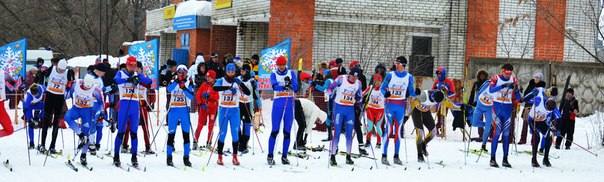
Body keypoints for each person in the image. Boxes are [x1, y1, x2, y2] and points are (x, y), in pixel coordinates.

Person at [112, 56, 152, 167]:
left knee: (134, 132)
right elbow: (116, 80)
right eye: (130, 65)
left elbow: (149, 81)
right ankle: (116, 155)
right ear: (127, 65)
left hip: (135, 105)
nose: (132, 68)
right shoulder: (121, 73)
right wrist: (128, 80)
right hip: (124, 104)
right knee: (121, 132)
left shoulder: (137, 74)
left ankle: (134, 156)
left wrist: (139, 79)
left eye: (134, 66)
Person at [380, 56, 416, 166]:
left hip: (401, 106)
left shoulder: (409, 77)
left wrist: (416, 93)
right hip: (390, 105)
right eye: (396, 63)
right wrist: (385, 94)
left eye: (398, 63)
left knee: (398, 131)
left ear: (403, 65)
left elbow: (411, 91)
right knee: (388, 130)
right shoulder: (390, 75)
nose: (396, 64)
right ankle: (384, 156)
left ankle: (396, 156)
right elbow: (382, 88)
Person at [213, 63, 250, 165]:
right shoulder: (221, 80)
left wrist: (240, 84)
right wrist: (228, 88)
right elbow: (215, 88)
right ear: (226, 71)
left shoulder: (237, 81)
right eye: (229, 72)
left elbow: (248, 93)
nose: (230, 74)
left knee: (235, 134)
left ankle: (235, 156)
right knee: (223, 133)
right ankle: (220, 156)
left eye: (232, 72)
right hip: (224, 110)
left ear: (235, 72)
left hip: (234, 111)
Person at [63, 75, 103, 166]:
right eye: (85, 86)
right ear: (83, 82)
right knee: (67, 117)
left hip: (87, 111)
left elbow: (101, 102)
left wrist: (102, 112)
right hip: (76, 108)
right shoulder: (76, 84)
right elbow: (67, 96)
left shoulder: (96, 90)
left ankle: (83, 155)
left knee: (86, 132)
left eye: (88, 87)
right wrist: (67, 88)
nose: (86, 88)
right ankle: (80, 134)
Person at [327, 67, 363, 165]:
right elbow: (329, 89)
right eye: (352, 76)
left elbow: (360, 97)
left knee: (349, 134)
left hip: (350, 110)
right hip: (339, 108)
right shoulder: (341, 79)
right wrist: (331, 95)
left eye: (356, 77)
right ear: (349, 74)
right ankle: (333, 156)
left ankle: (348, 156)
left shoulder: (358, 84)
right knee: (337, 133)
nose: (353, 79)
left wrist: (358, 99)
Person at [488, 63, 522, 168]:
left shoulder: (514, 80)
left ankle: (505, 159)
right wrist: (502, 85)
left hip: (507, 110)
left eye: (510, 73)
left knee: (506, 136)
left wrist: (516, 90)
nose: (508, 76)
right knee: (496, 134)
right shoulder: (496, 78)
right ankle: (492, 159)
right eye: (506, 73)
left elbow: (518, 97)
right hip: (497, 109)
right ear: (502, 71)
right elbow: (491, 90)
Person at [267, 56, 298, 165]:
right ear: (277, 65)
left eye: (283, 65)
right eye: (279, 65)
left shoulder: (291, 73)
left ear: (285, 64)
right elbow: (274, 86)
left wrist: (291, 84)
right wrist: (285, 85)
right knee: (275, 130)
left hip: (289, 104)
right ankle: (270, 155)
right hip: (278, 105)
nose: (281, 67)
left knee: (287, 132)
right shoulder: (273, 74)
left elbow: (296, 86)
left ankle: (284, 156)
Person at [165, 65, 195, 167]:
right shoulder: (174, 80)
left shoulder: (189, 81)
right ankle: (169, 157)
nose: (181, 74)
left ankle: (186, 158)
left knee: (186, 135)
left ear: (186, 72)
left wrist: (184, 88)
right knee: (171, 134)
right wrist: (177, 82)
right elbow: (169, 89)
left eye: (183, 72)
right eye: (179, 72)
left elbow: (191, 96)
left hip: (184, 111)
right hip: (174, 110)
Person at [524, 86, 560, 167]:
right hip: (532, 120)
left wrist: (554, 129)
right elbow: (524, 100)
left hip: (542, 121)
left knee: (548, 138)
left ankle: (546, 159)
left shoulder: (552, 103)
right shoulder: (539, 99)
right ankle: (534, 159)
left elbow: (554, 118)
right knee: (537, 138)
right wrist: (532, 94)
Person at [39, 59, 69, 154]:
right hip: (50, 96)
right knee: (46, 120)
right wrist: (42, 76)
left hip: (60, 97)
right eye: (59, 69)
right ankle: (42, 144)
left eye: (62, 70)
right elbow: (42, 76)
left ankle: (52, 146)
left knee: (56, 121)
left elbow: (70, 83)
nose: (61, 71)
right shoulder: (52, 69)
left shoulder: (68, 72)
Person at [409, 89, 446, 162]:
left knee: (433, 131)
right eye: (435, 101)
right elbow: (412, 103)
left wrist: (460, 107)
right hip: (416, 112)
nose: (435, 103)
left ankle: (423, 145)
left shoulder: (440, 96)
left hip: (426, 112)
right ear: (433, 97)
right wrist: (407, 116)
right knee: (420, 133)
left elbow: (449, 103)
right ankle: (419, 155)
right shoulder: (423, 96)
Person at [238, 64, 262, 154]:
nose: (241, 73)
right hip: (239, 104)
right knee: (237, 123)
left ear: (247, 72)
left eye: (243, 71)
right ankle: (239, 141)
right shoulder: (239, 79)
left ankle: (244, 143)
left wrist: (259, 105)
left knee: (247, 124)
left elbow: (256, 95)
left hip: (248, 105)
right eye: (241, 71)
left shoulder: (252, 81)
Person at [194, 70, 219, 150]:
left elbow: (217, 97)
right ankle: (195, 142)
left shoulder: (216, 85)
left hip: (212, 108)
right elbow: (198, 94)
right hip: (203, 108)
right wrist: (200, 103)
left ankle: (209, 142)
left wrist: (209, 96)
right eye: (207, 77)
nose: (208, 78)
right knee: (200, 125)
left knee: (211, 126)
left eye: (210, 77)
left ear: (213, 78)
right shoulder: (204, 84)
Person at [518, 73, 546, 145]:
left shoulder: (542, 88)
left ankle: (533, 139)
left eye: (538, 78)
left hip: (536, 107)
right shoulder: (530, 85)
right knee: (525, 123)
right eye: (535, 77)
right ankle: (522, 138)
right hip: (528, 106)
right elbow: (526, 95)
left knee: (534, 124)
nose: (536, 79)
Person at [88, 63, 108, 155]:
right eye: (103, 72)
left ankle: (97, 143)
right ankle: (90, 143)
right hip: (91, 104)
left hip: (100, 104)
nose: (104, 74)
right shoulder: (88, 77)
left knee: (100, 125)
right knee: (92, 124)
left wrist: (111, 88)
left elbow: (102, 89)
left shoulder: (100, 79)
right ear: (99, 71)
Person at [470, 79, 494, 152]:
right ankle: (488, 125)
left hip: (489, 109)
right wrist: (475, 101)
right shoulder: (488, 84)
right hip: (479, 106)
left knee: (487, 128)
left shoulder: (498, 89)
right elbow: (479, 92)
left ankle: (484, 145)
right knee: (474, 123)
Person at [363, 74, 385, 149]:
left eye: (379, 81)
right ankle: (368, 141)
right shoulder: (371, 88)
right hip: (371, 109)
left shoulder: (384, 88)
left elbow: (389, 96)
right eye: (376, 81)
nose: (377, 83)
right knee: (370, 126)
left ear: (381, 81)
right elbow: (362, 94)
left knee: (378, 126)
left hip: (380, 110)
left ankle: (379, 142)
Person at [432, 67, 455, 137]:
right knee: (439, 116)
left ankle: (442, 129)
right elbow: (433, 90)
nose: (439, 75)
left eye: (440, 74)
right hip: (438, 102)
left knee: (444, 116)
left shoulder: (449, 82)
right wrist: (434, 95)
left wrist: (447, 96)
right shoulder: (436, 81)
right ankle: (438, 128)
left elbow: (453, 92)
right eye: (438, 74)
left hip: (445, 102)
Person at [467, 70, 489, 141]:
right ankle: (481, 135)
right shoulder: (476, 84)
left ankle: (490, 134)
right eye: (481, 75)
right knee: (479, 119)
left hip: (487, 104)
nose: (482, 76)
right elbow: (472, 94)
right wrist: (470, 103)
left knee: (488, 119)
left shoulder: (488, 83)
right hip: (478, 104)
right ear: (479, 76)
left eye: (483, 75)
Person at [0, 71, 15, 137]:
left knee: (9, 130)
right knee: (9, 130)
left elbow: (13, 83)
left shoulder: (2, 73)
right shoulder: (2, 73)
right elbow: (14, 83)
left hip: (0, 106)